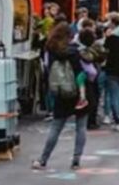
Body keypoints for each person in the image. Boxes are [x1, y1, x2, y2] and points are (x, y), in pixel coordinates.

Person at [32, 23, 89, 171]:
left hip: (61, 93)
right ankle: (76, 160)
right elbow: (80, 74)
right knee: (81, 127)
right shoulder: (74, 51)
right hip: (76, 92)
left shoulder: (51, 50)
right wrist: (82, 94)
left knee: (56, 127)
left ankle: (43, 159)